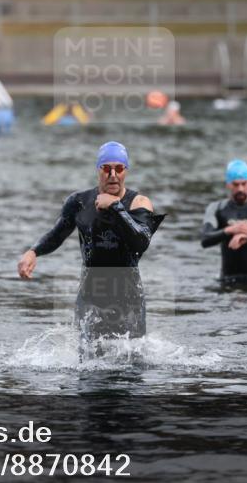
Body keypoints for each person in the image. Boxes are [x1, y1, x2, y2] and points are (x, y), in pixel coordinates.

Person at [18, 142, 165, 342]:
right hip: (89, 297)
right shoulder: (79, 202)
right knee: (87, 366)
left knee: (130, 365)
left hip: (128, 300)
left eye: (119, 168)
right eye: (106, 168)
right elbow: (57, 233)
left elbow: (141, 241)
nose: (113, 174)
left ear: (125, 171)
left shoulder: (138, 203)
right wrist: (33, 251)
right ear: (98, 170)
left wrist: (116, 207)